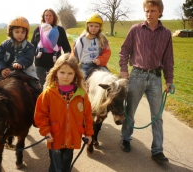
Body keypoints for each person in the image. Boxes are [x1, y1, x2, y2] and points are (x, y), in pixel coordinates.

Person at [119, 0, 174, 164]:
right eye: (147, 11)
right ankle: (125, 138)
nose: (149, 14)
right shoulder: (136, 29)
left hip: (156, 78)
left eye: (153, 11)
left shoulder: (166, 33)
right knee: (130, 111)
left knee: (157, 116)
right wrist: (123, 70)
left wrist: (169, 80)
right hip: (137, 75)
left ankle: (157, 150)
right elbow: (124, 50)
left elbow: (168, 58)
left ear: (160, 12)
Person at [34, 53, 94, 172]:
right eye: (62, 72)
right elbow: (41, 115)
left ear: (75, 74)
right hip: (54, 137)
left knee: (66, 166)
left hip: (72, 137)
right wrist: (46, 131)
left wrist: (89, 133)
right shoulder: (48, 93)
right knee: (56, 167)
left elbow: (87, 115)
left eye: (70, 73)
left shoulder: (81, 94)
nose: (66, 76)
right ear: (56, 72)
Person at [31, 8, 71, 87]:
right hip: (40, 61)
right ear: (43, 17)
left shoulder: (60, 30)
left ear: (54, 17)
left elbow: (66, 46)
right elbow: (32, 46)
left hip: (55, 61)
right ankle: (40, 99)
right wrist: (29, 60)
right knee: (39, 84)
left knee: (55, 84)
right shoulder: (38, 30)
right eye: (46, 15)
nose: (48, 17)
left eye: (50, 15)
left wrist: (68, 59)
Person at [72, 13, 111, 77]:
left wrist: (100, 60)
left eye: (96, 26)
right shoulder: (81, 39)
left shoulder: (103, 39)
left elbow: (107, 53)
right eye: (91, 26)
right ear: (87, 26)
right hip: (83, 66)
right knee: (81, 81)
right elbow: (74, 53)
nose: (93, 28)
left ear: (100, 27)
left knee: (110, 78)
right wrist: (75, 65)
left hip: (97, 65)